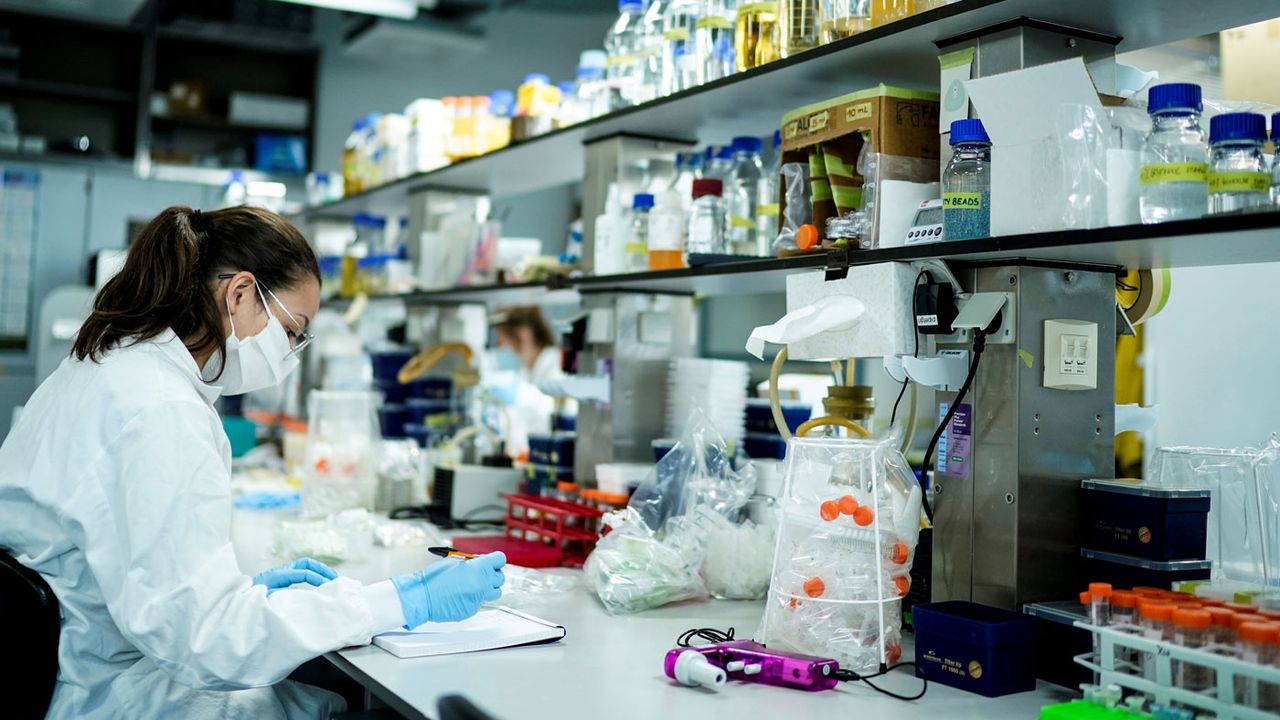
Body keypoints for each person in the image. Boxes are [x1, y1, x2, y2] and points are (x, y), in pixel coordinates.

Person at [0, 205, 506, 719]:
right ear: (240, 295)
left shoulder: (111, 366)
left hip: (74, 662)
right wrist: (394, 602)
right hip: (96, 690)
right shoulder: (161, 410)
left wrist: (241, 594)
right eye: (292, 330)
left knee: (312, 695)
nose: (291, 351)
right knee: (339, 707)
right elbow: (211, 645)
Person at [490, 306, 562, 387]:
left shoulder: (557, 364)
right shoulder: (525, 369)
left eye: (503, 334)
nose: (500, 342)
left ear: (523, 333)